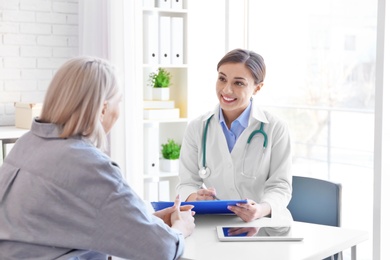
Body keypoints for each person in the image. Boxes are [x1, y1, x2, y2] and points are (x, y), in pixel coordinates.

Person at [0, 57, 195, 260]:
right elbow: (163, 250)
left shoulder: (26, 144)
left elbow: (50, 226)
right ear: (103, 109)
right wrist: (180, 228)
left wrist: (141, 225)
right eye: (118, 102)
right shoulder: (88, 165)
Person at [177, 48, 292, 222]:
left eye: (238, 83)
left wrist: (260, 210)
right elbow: (186, 183)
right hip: (214, 222)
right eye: (222, 79)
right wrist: (196, 198)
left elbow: (280, 187)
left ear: (257, 88)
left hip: (264, 224)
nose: (226, 90)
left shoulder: (276, 128)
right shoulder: (197, 128)